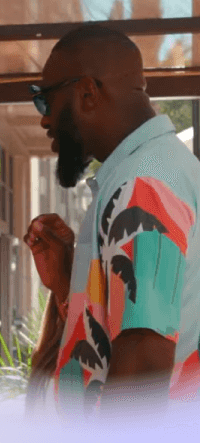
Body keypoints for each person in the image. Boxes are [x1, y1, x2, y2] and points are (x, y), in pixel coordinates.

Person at [24, 25, 200, 420]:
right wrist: (73, 279)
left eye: (45, 100)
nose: (43, 120)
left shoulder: (145, 184)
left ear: (87, 92)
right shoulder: (156, 171)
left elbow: (143, 358)